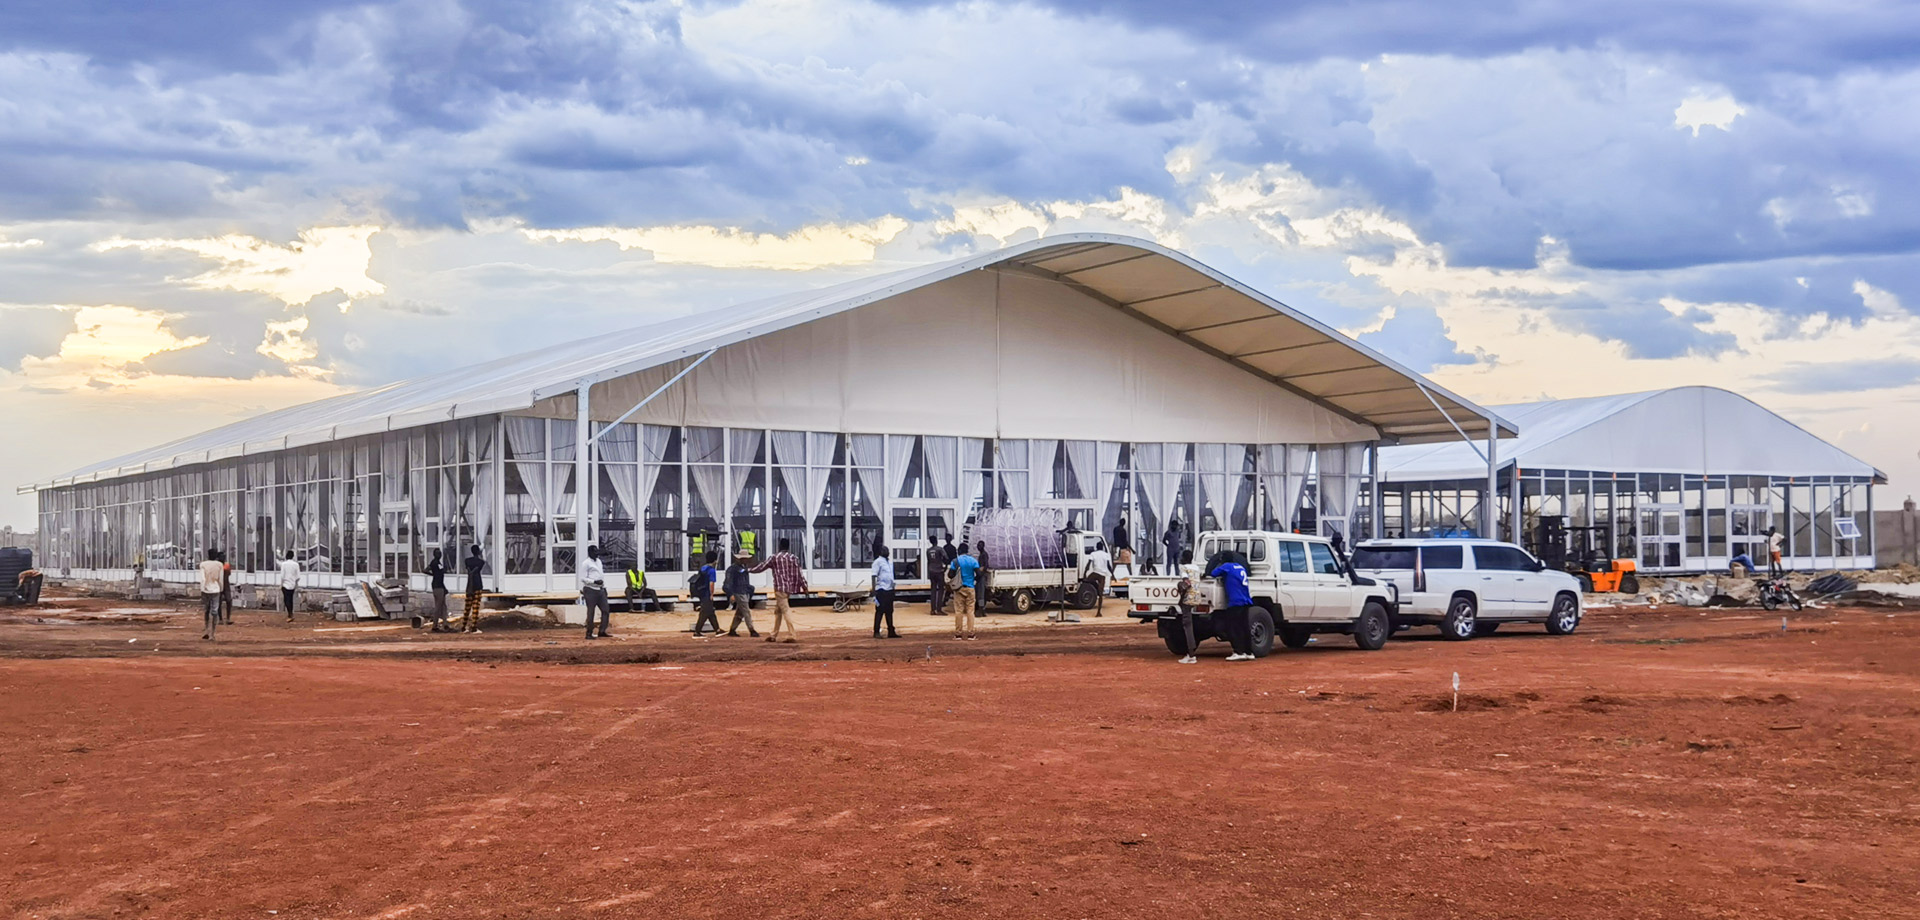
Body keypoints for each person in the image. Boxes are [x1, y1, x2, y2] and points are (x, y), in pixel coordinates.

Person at [750, 538, 808, 643]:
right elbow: (800, 573)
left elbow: (761, 567)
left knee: (785, 610)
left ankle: (792, 635)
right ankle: (773, 634)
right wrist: (804, 586)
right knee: (778, 611)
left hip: (779, 588)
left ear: (779, 546)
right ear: (788, 546)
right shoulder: (794, 558)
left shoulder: (774, 558)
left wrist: (749, 570)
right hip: (789, 588)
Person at [1210, 552, 1256, 662]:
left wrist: (1218, 564)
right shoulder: (1240, 567)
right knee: (1244, 627)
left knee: (1233, 627)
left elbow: (1213, 573)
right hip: (1246, 600)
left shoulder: (1227, 567)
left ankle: (1238, 651)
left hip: (1235, 602)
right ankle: (1249, 652)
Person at [723, 551, 760, 637]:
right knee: (746, 611)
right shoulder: (732, 569)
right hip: (739, 592)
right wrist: (731, 594)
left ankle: (732, 629)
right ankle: (752, 630)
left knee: (740, 613)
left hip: (743, 592)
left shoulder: (742, 568)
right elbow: (728, 583)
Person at [580, 544, 612, 639]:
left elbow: (601, 575)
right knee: (591, 612)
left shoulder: (599, 561)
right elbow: (582, 578)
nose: (597, 554)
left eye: (597, 552)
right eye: (595, 552)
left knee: (605, 610)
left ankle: (602, 631)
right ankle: (589, 633)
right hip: (590, 589)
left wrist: (604, 587)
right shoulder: (586, 563)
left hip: (600, 589)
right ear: (590, 553)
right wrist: (594, 581)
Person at [947, 548, 980, 640]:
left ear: (958, 552)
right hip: (970, 588)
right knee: (970, 611)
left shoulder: (955, 561)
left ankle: (958, 634)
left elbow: (950, 575)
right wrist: (974, 580)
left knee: (959, 611)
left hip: (959, 588)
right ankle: (971, 634)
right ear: (967, 551)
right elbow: (979, 574)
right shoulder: (973, 561)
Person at [690, 550, 721, 637]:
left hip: (701, 592)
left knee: (711, 612)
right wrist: (712, 594)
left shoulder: (703, 568)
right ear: (715, 560)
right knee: (705, 613)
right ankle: (697, 631)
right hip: (707, 593)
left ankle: (717, 629)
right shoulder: (712, 570)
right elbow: (711, 583)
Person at [1081, 539, 1113, 617]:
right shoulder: (1106, 555)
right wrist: (1113, 574)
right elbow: (1109, 566)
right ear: (1102, 547)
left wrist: (1085, 573)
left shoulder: (1093, 554)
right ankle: (1099, 612)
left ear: (1096, 547)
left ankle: (1093, 587)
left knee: (1086, 581)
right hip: (1102, 575)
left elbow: (1088, 564)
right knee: (1101, 594)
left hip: (1095, 573)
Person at [871, 547, 899, 639]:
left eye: (887, 551)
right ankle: (876, 631)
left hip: (890, 589)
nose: (887, 552)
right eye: (885, 551)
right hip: (881, 589)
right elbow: (874, 576)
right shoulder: (877, 562)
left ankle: (891, 631)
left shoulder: (889, 562)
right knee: (880, 611)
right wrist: (874, 590)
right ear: (881, 552)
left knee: (889, 611)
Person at [461, 544, 487, 634]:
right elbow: (477, 569)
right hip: (478, 584)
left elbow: (468, 571)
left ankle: (463, 626)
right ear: (478, 552)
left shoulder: (467, 561)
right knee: (475, 607)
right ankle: (473, 627)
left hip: (469, 585)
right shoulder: (481, 562)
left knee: (467, 607)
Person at [198, 550, 224, 641]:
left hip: (205, 590)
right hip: (216, 589)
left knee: (206, 610)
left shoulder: (203, 564)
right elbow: (221, 579)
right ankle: (213, 633)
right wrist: (221, 589)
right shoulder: (219, 565)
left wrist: (202, 588)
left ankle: (206, 630)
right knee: (215, 612)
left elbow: (203, 579)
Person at [424, 548, 449, 632]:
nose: (440, 555)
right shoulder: (435, 563)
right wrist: (434, 575)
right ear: (435, 554)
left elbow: (426, 570)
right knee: (438, 606)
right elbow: (426, 570)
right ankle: (435, 626)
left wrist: (433, 575)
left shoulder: (436, 563)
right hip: (438, 586)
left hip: (438, 585)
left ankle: (445, 624)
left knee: (443, 606)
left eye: (440, 553)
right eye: (438, 553)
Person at [279, 549, 301, 622]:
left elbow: (282, 576)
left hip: (285, 584)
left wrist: (281, 584)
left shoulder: (284, 564)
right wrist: (296, 585)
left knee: (286, 599)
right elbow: (298, 576)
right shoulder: (296, 564)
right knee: (290, 599)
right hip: (292, 584)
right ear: (293, 556)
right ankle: (290, 613)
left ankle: (290, 614)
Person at [925, 534, 945, 617]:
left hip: (931, 571)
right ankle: (939, 609)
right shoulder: (940, 549)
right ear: (936, 541)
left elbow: (928, 561)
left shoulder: (928, 550)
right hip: (939, 571)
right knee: (940, 590)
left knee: (933, 590)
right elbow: (946, 557)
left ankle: (932, 610)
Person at [973, 540, 992, 617]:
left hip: (982, 576)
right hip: (979, 576)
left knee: (981, 594)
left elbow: (986, 565)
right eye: (978, 545)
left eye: (980, 545)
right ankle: (981, 610)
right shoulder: (981, 554)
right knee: (979, 594)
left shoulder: (984, 555)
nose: (978, 547)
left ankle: (981, 610)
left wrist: (980, 573)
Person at [218, 551, 234, 625]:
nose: (223, 558)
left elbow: (229, 573)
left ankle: (228, 618)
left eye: (224, 557)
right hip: (219, 585)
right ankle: (220, 619)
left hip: (226, 585)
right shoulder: (217, 566)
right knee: (219, 602)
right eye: (221, 557)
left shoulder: (226, 565)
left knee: (229, 600)